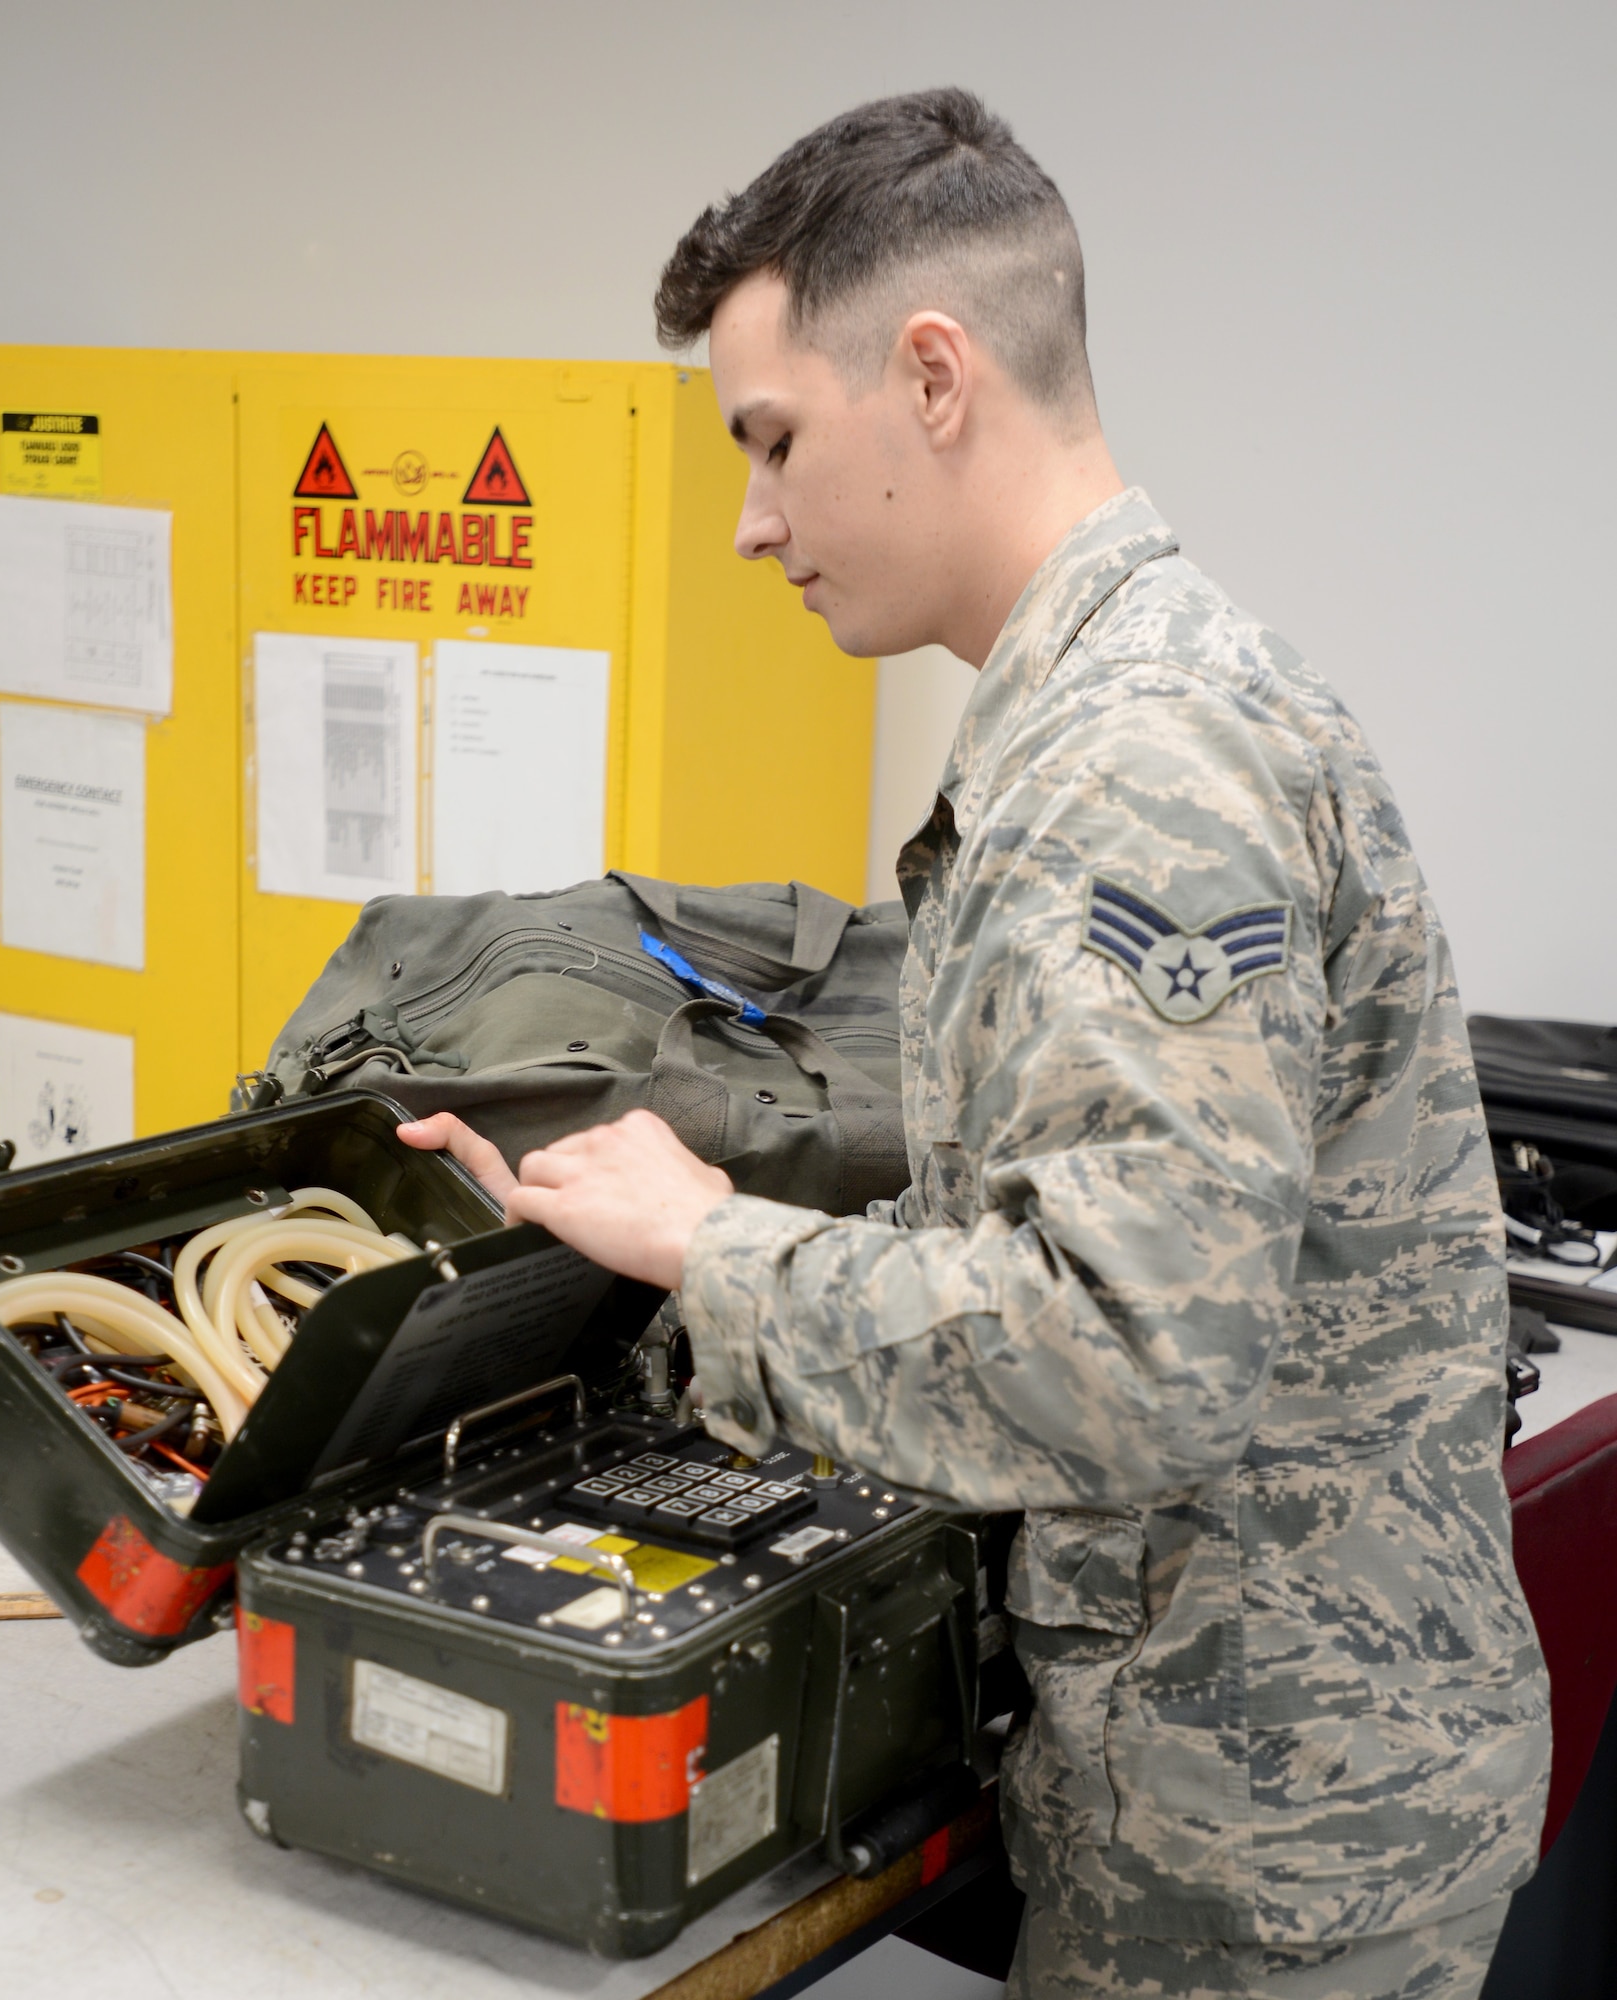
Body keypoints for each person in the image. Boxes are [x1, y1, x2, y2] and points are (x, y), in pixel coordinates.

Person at [401, 89, 1549, 1998]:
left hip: (1268, 1843)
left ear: (931, 375)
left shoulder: (1133, 769)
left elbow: (1127, 1363)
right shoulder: (1127, 707)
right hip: (1261, 1789)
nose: (753, 523)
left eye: (771, 441)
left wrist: (711, 1244)